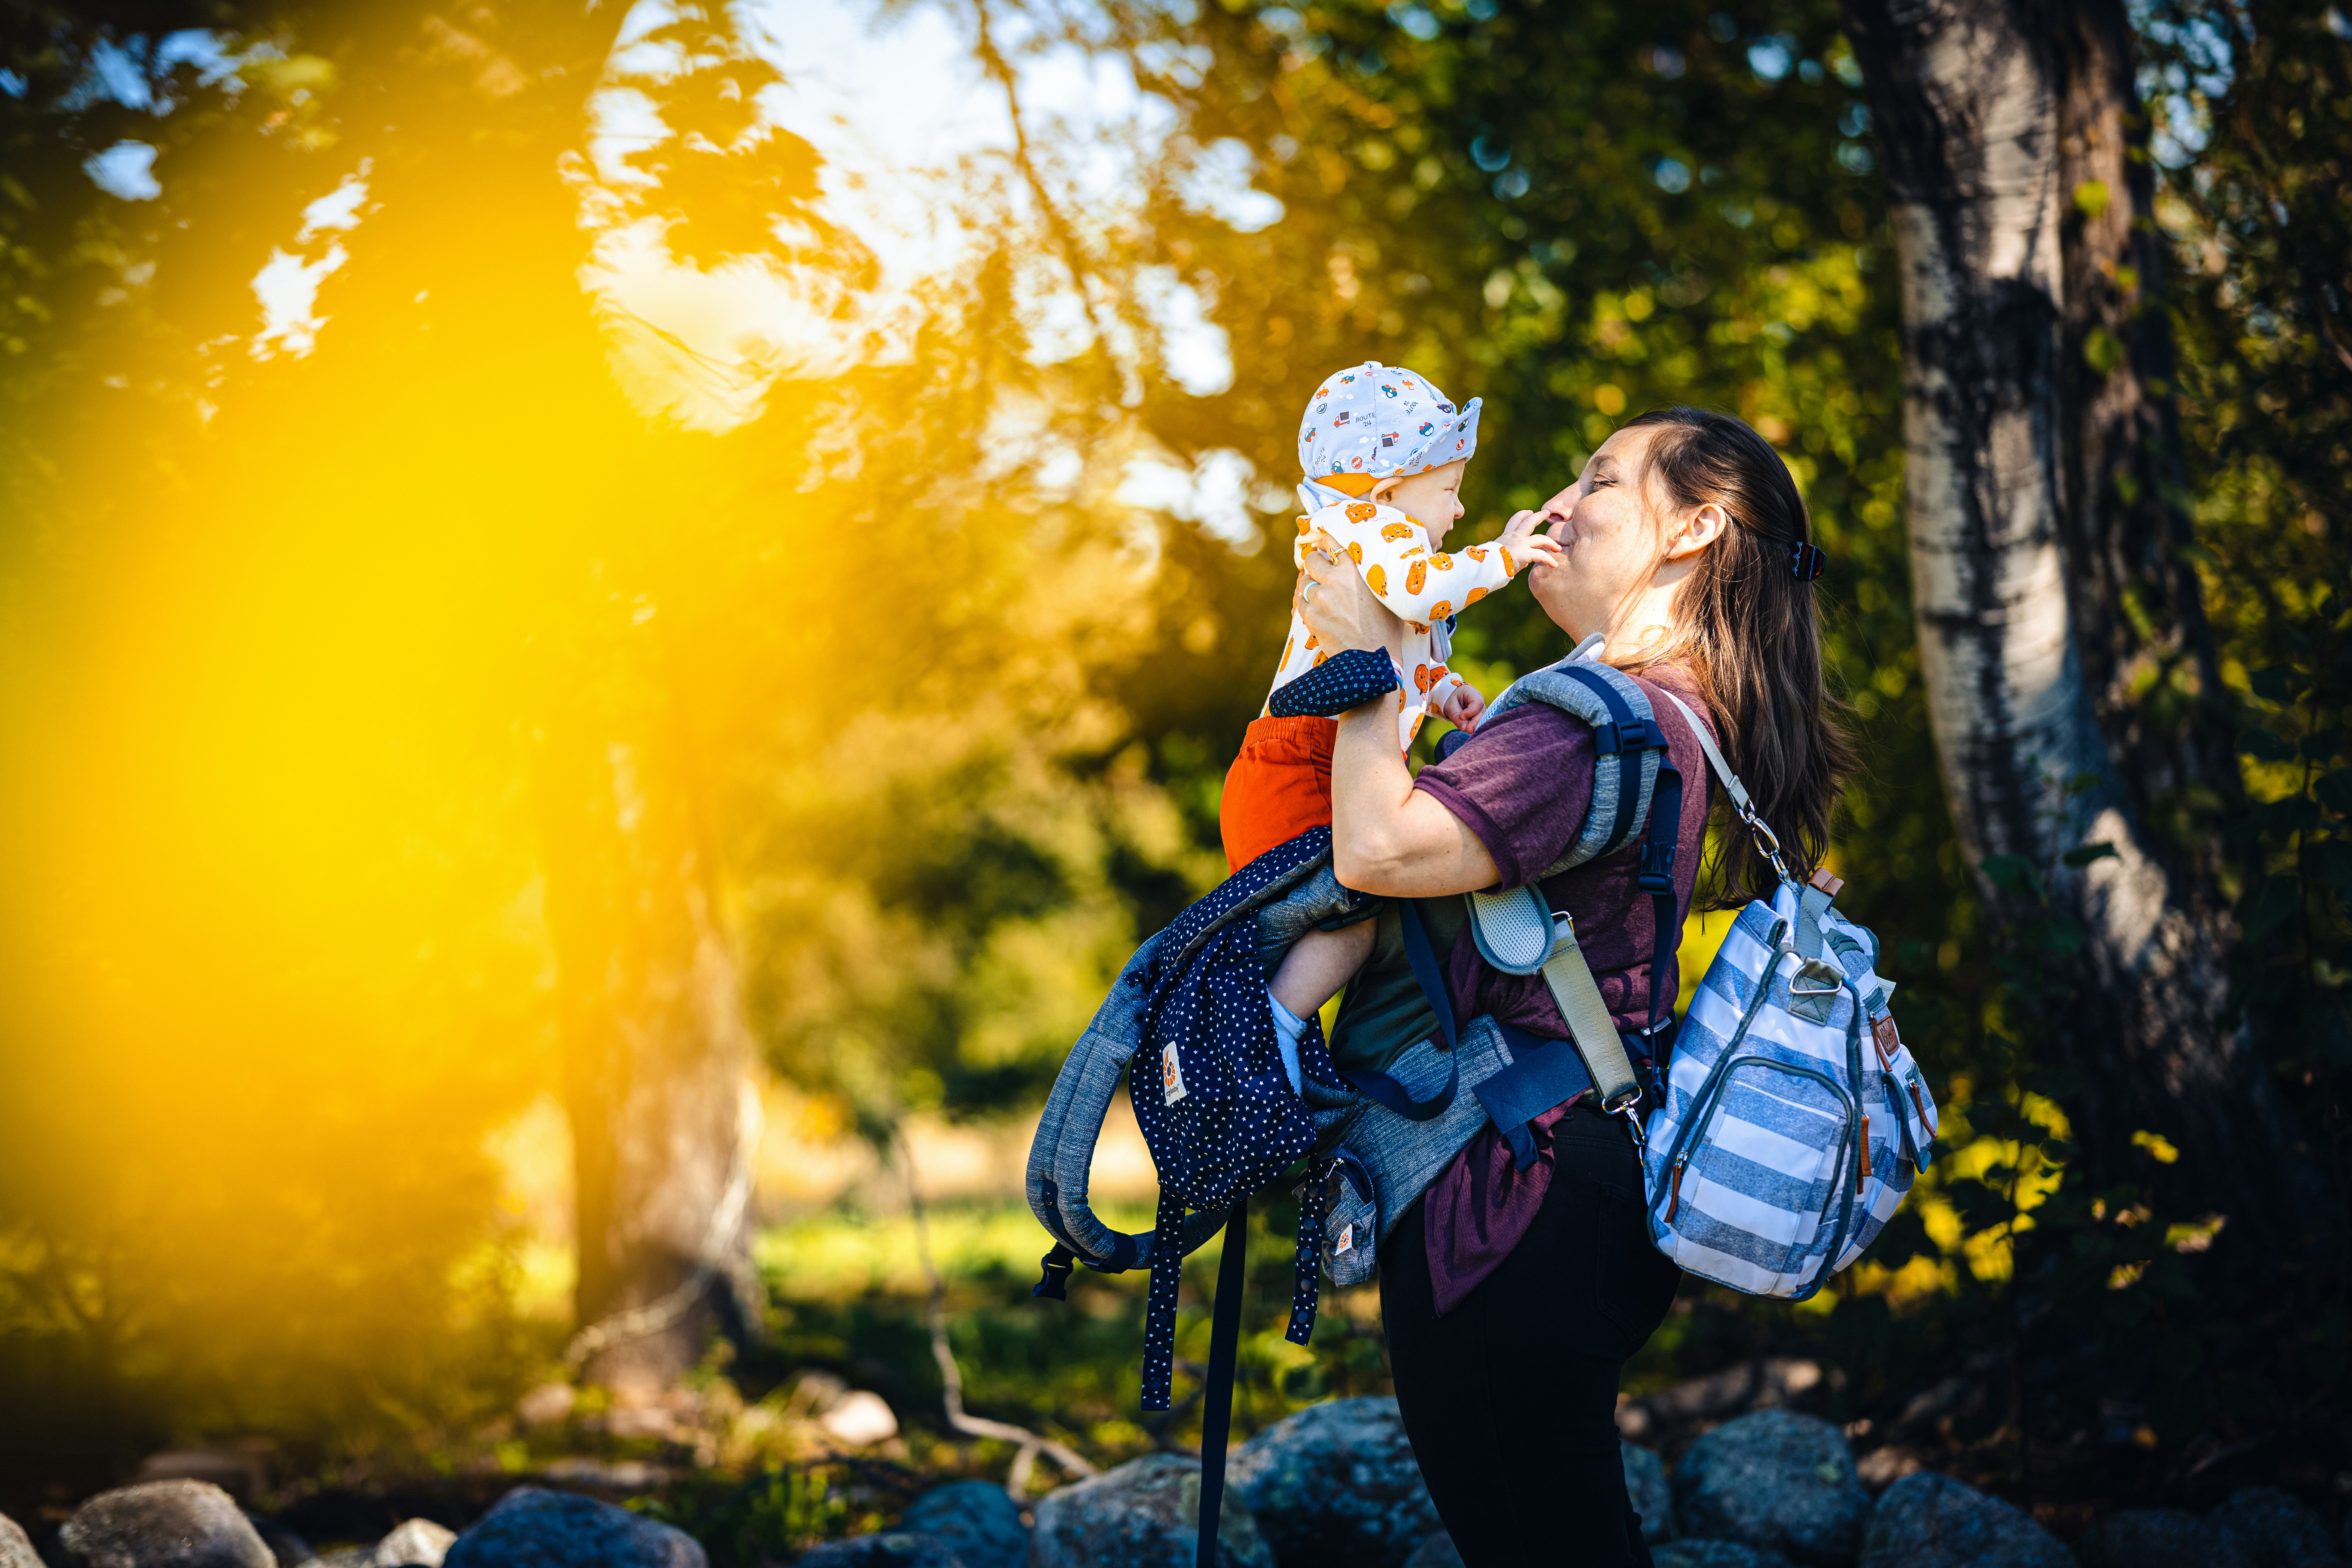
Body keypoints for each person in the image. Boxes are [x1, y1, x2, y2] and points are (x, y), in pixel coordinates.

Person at [1294, 406, 1858, 1567]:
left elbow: (1379, 850)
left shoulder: (1590, 722)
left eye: (1599, 479)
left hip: (1505, 1200)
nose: (1555, 505)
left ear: (1694, 528)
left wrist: (1358, 664)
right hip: (1583, 1183)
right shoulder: (1684, 716)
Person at [1221, 359, 1545, 1093]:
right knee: (1349, 923)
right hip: (1299, 760)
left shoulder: (1372, 540)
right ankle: (1265, 1044)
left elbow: (1397, 653)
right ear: (1390, 485)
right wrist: (1506, 556)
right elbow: (1425, 592)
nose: (1459, 511)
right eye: (1449, 489)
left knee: (1337, 926)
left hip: (1306, 759)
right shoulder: (1367, 524)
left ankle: (1275, 1034)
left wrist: (1443, 689)